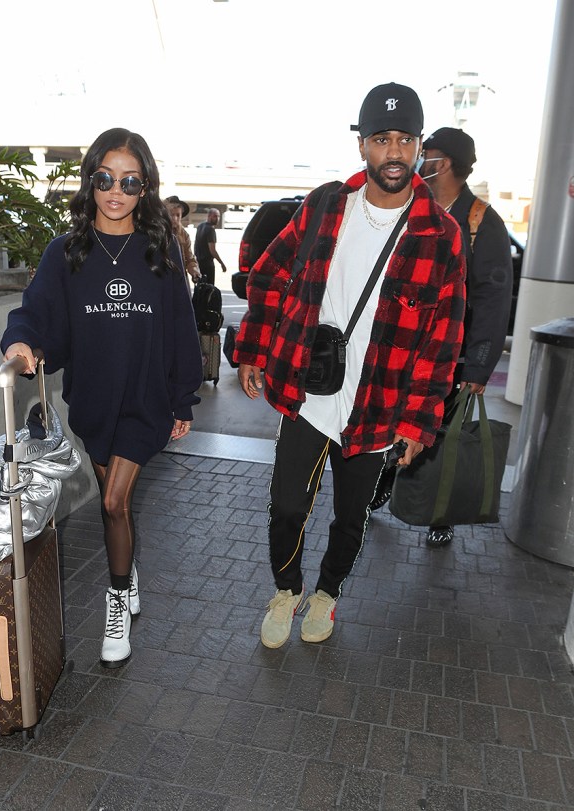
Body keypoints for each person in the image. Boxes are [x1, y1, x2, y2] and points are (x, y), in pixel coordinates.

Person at [233, 83, 466, 649]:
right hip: (308, 391)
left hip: (379, 404)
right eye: (381, 139)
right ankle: (287, 589)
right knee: (287, 506)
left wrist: (418, 423)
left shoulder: (442, 236)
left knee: (349, 518)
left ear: (420, 151)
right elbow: (267, 274)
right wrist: (255, 349)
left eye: (405, 141)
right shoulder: (325, 206)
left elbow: (442, 341)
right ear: (363, 145)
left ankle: (327, 594)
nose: (394, 152)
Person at [1, 128, 203, 668]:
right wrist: (20, 341)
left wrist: (182, 399)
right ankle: (127, 566)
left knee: (113, 503)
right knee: (119, 505)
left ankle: (117, 602)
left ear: (146, 188)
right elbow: (34, 310)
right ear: (91, 180)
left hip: (145, 400)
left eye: (131, 182)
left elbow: (182, 328)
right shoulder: (66, 253)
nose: (117, 191)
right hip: (92, 399)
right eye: (106, 179)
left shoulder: (159, 253)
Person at [411, 127, 512, 548]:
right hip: (404, 347)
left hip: (450, 355)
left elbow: (493, 298)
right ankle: (383, 487)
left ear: (445, 162)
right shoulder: (412, 207)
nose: (419, 160)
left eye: (426, 154)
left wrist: (478, 365)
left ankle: (441, 512)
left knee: (441, 431)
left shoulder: (481, 221)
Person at [164, 194, 200, 287]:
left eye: (178, 215)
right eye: (171, 215)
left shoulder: (184, 234)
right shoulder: (156, 232)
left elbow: (190, 258)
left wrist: (194, 270)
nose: (175, 219)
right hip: (162, 278)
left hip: (180, 278)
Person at [194, 208, 227, 284]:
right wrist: (221, 263)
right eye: (215, 216)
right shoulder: (210, 230)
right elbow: (212, 250)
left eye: (218, 216)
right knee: (209, 287)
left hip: (199, 262)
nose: (217, 219)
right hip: (207, 264)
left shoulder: (200, 226)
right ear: (209, 216)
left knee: (200, 287)